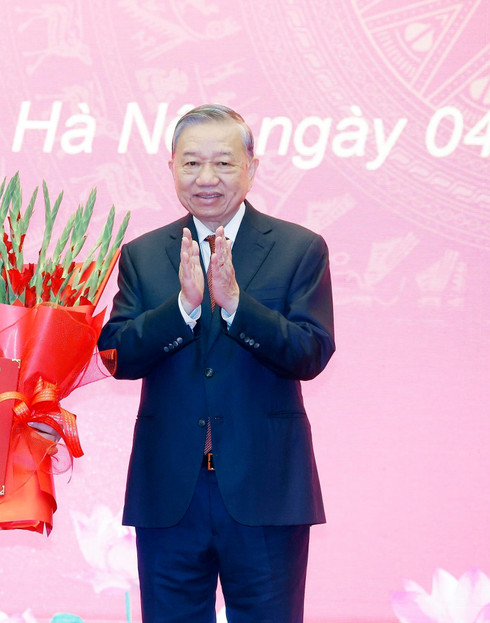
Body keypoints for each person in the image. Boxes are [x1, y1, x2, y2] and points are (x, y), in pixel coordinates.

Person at [97, 105, 336, 622]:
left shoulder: (299, 249)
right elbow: (116, 355)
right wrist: (181, 311)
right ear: (172, 168)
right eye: (192, 164)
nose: (207, 178)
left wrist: (236, 306)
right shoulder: (142, 253)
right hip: (170, 495)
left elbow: (312, 352)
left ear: (252, 166)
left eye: (224, 163)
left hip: (265, 488)